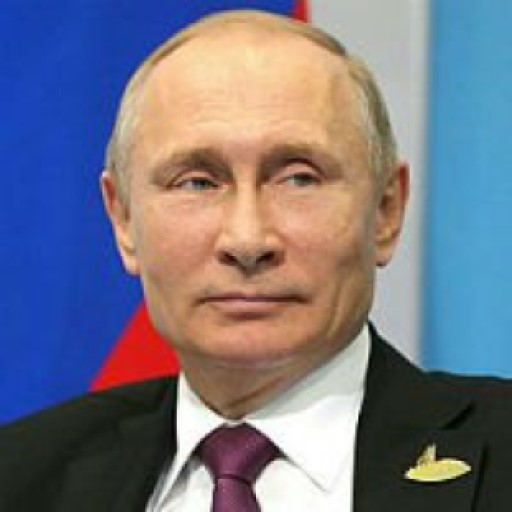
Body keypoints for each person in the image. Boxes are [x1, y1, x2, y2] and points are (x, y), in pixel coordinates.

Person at [0, 9, 511, 512]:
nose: (247, 240)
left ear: (386, 211)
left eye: (299, 178)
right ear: (124, 221)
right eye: (197, 182)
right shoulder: (20, 475)